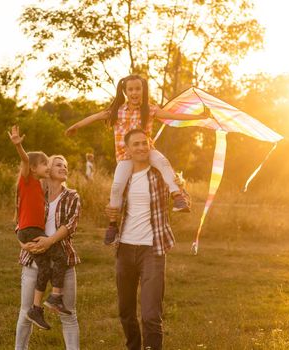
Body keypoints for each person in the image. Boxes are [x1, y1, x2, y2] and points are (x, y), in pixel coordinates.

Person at [65, 74, 209, 245]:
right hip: (125, 157)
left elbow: (172, 116)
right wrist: (75, 126)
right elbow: (95, 117)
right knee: (117, 187)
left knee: (163, 163)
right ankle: (113, 224)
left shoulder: (149, 109)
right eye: (130, 89)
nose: (134, 92)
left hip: (147, 151)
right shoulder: (117, 111)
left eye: (138, 89)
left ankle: (178, 197)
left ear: (143, 90)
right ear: (125, 91)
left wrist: (199, 116)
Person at [105, 129, 190, 350]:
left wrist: (181, 189)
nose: (141, 147)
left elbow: (183, 196)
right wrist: (111, 214)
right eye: (136, 144)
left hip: (152, 250)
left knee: (151, 314)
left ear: (150, 145)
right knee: (126, 311)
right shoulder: (123, 176)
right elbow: (114, 203)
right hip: (125, 248)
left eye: (144, 143)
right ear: (128, 149)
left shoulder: (159, 174)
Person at [15, 155, 82, 350]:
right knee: (26, 312)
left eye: (66, 165)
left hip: (63, 258)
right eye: (58, 164)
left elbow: (70, 224)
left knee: (68, 314)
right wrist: (23, 244)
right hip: (33, 258)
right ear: (47, 169)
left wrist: (49, 241)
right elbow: (20, 222)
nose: (64, 168)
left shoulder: (72, 196)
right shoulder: (34, 191)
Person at [8, 126, 71, 332]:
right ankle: (55, 297)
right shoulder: (27, 180)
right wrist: (19, 145)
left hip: (28, 230)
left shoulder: (40, 186)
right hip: (31, 230)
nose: (47, 166)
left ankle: (36, 308)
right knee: (60, 256)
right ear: (33, 168)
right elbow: (25, 161)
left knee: (45, 267)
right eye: (44, 163)